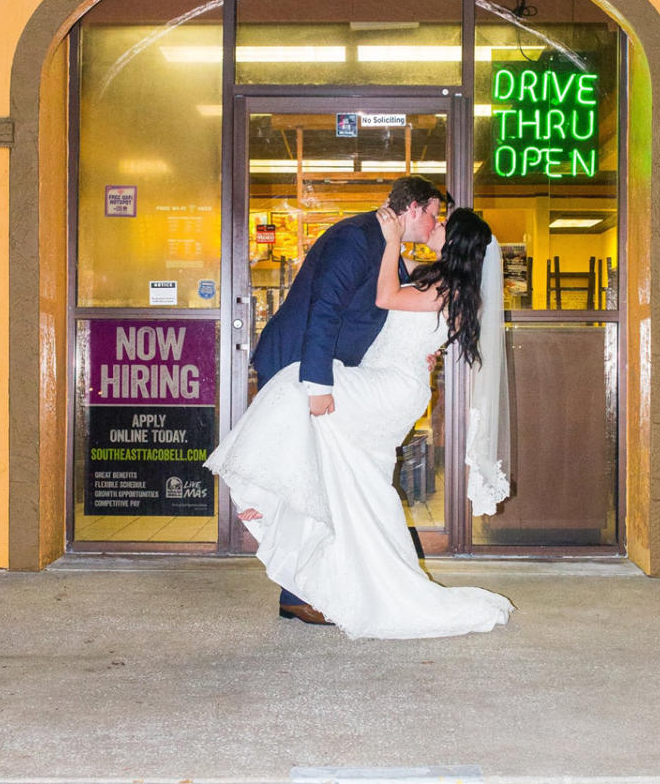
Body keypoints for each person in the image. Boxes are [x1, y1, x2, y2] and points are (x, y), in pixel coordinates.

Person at [206, 205, 513, 640]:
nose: (437, 225)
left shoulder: (446, 287)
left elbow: (386, 297)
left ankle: (263, 490)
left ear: (458, 241)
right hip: (385, 381)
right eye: (435, 217)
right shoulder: (438, 280)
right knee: (350, 479)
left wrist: (390, 242)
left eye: (444, 224)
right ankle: (324, 568)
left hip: (391, 388)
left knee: (301, 385)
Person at [246, 173, 447, 623]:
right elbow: (326, 308)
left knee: (318, 478)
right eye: (433, 213)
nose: (435, 224)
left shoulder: (387, 249)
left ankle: (300, 592)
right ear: (412, 208)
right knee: (303, 479)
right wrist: (318, 386)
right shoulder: (355, 238)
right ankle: (297, 593)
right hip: (296, 366)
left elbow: (382, 314)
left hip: (327, 371)